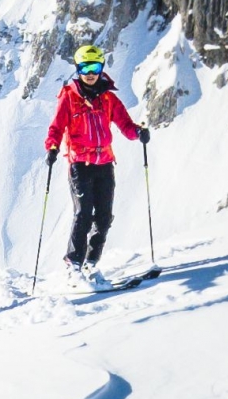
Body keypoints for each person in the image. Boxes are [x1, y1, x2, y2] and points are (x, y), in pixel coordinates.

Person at [43, 45, 151, 286]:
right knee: (83, 214)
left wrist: (138, 133)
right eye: (84, 68)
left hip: (104, 164)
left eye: (95, 67)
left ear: (101, 68)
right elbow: (56, 127)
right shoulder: (69, 97)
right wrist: (52, 147)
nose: (90, 73)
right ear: (77, 69)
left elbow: (125, 124)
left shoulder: (108, 98)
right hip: (80, 165)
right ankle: (74, 266)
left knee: (103, 217)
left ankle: (92, 264)